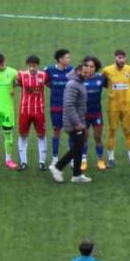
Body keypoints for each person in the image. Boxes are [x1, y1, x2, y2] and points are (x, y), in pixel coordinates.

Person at [49, 56, 97, 184]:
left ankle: (77, 174)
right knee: (77, 148)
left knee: (79, 147)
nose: (87, 75)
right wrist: (78, 123)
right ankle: (57, 167)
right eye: (85, 73)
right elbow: (69, 106)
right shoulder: (73, 84)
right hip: (74, 123)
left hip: (78, 121)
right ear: (78, 71)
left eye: (89, 73)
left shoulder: (78, 82)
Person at [101, 49, 130, 168]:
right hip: (113, 106)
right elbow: (103, 83)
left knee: (128, 131)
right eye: (119, 58)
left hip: (127, 106)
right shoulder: (107, 71)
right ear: (115, 58)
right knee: (112, 131)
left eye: (123, 58)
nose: (121, 60)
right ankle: (111, 159)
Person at [15, 55, 49, 170]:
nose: (32, 68)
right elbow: (13, 83)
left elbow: (51, 85)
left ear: (37, 66)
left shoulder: (44, 76)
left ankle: (42, 162)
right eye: (30, 66)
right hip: (25, 111)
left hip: (39, 111)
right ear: (27, 66)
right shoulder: (21, 75)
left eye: (34, 66)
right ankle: (23, 162)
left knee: (41, 135)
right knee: (23, 135)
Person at [45, 49, 73, 165]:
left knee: (71, 131)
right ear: (60, 59)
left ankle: (72, 158)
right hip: (55, 106)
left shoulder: (72, 70)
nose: (69, 59)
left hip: (69, 107)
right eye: (67, 57)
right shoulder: (50, 70)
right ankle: (55, 158)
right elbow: (45, 81)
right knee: (56, 131)